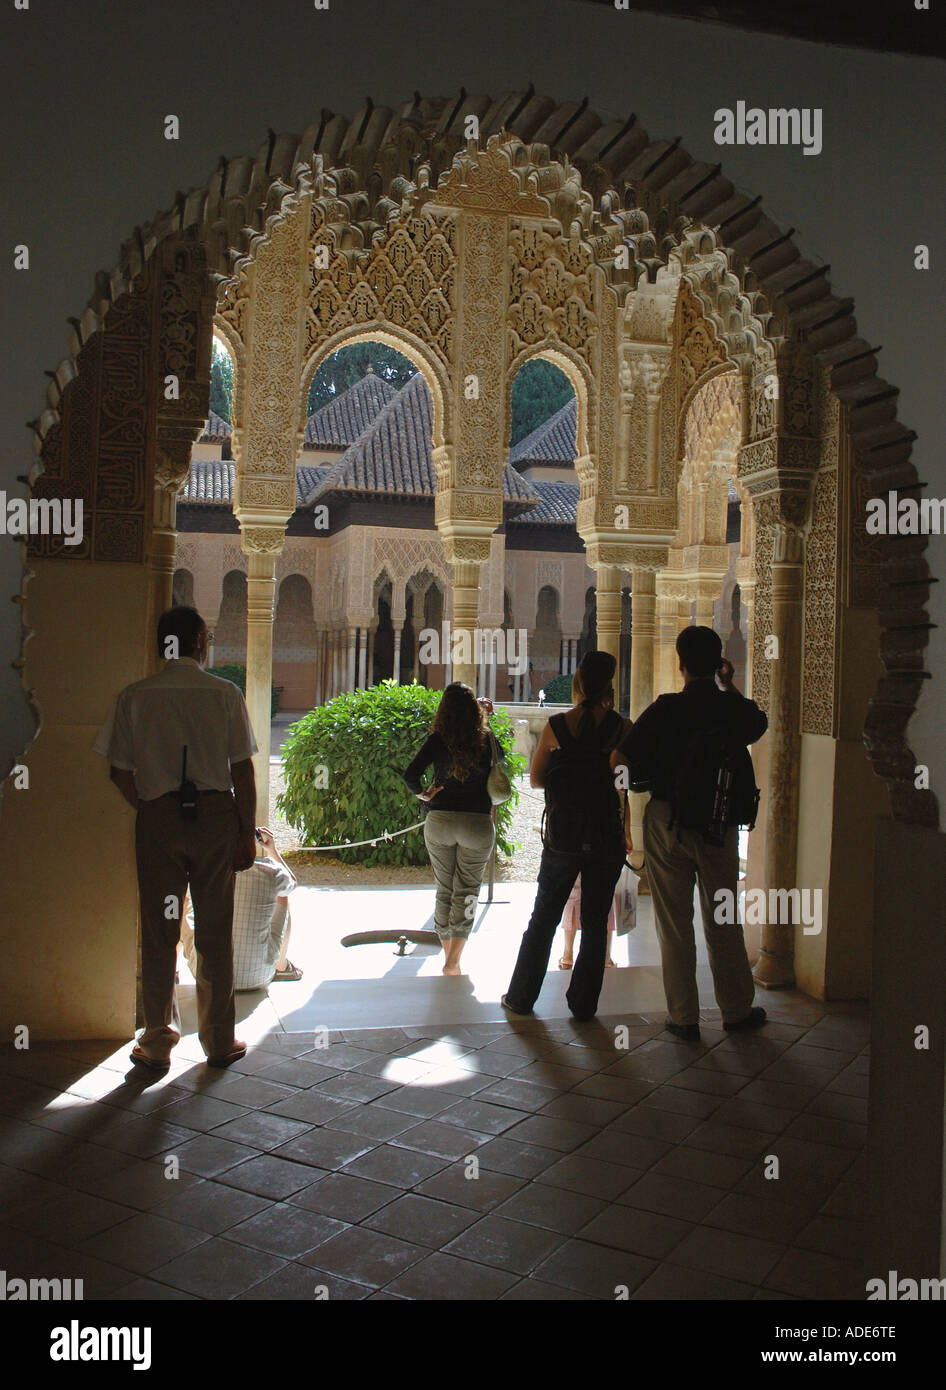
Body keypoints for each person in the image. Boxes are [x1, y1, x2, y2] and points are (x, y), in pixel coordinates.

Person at [93, 606, 258, 1071]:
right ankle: (220, 1040)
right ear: (201, 643)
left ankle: (158, 1040)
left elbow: (118, 770)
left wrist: (151, 808)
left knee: (160, 929)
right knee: (214, 929)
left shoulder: (136, 696)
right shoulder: (224, 694)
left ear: (160, 643)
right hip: (214, 820)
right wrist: (245, 832)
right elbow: (241, 771)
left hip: (160, 820)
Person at [616, 625, 767, 1042]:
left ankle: (684, 1018)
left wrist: (624, 804)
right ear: (717, 663)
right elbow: (758, 723)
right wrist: (729, 685)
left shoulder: (665, 709)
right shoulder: (730, 709)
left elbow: (620, 759)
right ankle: (736, 1010)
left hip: (666, 822)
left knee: (674, 924)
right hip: (718, 825)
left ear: (679, 664)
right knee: (722, 918)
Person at [502, 650, 631, 1022]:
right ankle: (583, 1005)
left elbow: (537, 778)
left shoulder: (559, 725)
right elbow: (626, 783)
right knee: (594, 923)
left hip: (564, 836)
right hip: (605, 836)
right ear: (609, 685)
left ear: (577, 682)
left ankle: (522, 998)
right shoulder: (623, 728)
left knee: (543, 917)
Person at [403, 684, 495, 976]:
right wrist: (487, 721)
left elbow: (410, 774)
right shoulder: (485, 738)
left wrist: (423, 794)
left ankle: (448, 956)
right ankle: (454, 959)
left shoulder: (437, 739)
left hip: (441, 819)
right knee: (467, 891)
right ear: (473, 709)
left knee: (444, 889)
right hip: (477, 822)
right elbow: (500, 763)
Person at [180, 826, 299, 991]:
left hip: (209, 977)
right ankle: (281, 965)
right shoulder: (272, 872)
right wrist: (272, 850)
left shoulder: (207, 868)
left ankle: (172, 971)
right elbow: (292, 883)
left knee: (182, 901)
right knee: (283, 896)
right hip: (260, 976)